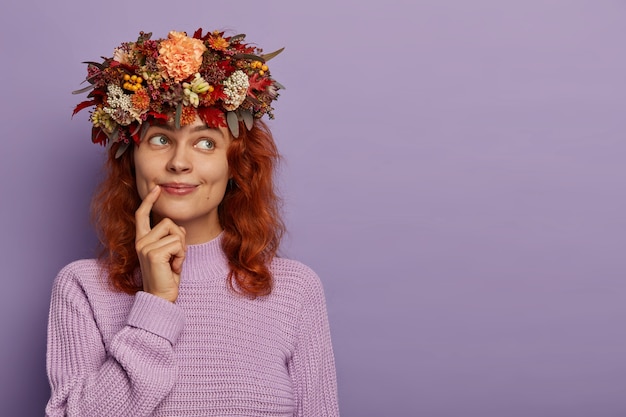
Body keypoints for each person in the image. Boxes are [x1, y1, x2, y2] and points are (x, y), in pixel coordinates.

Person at [45, 28, 339, 417]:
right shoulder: (82, 288)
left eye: (206, 143)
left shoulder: (295, 290)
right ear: (131, 161)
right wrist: (154, 305)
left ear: (235, 165)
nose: (179, 163)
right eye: (160, 139)